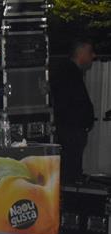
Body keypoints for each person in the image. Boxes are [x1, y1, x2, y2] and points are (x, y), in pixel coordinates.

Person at [51, 38, 96, 185]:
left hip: (73, 128)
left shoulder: (70, 72)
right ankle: (71, 190)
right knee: (71, 166)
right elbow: (75, 102)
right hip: (72, 129)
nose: (93, 56)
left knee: (72, 164)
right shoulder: (68, 73)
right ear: (80, 52)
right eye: (90, 52)